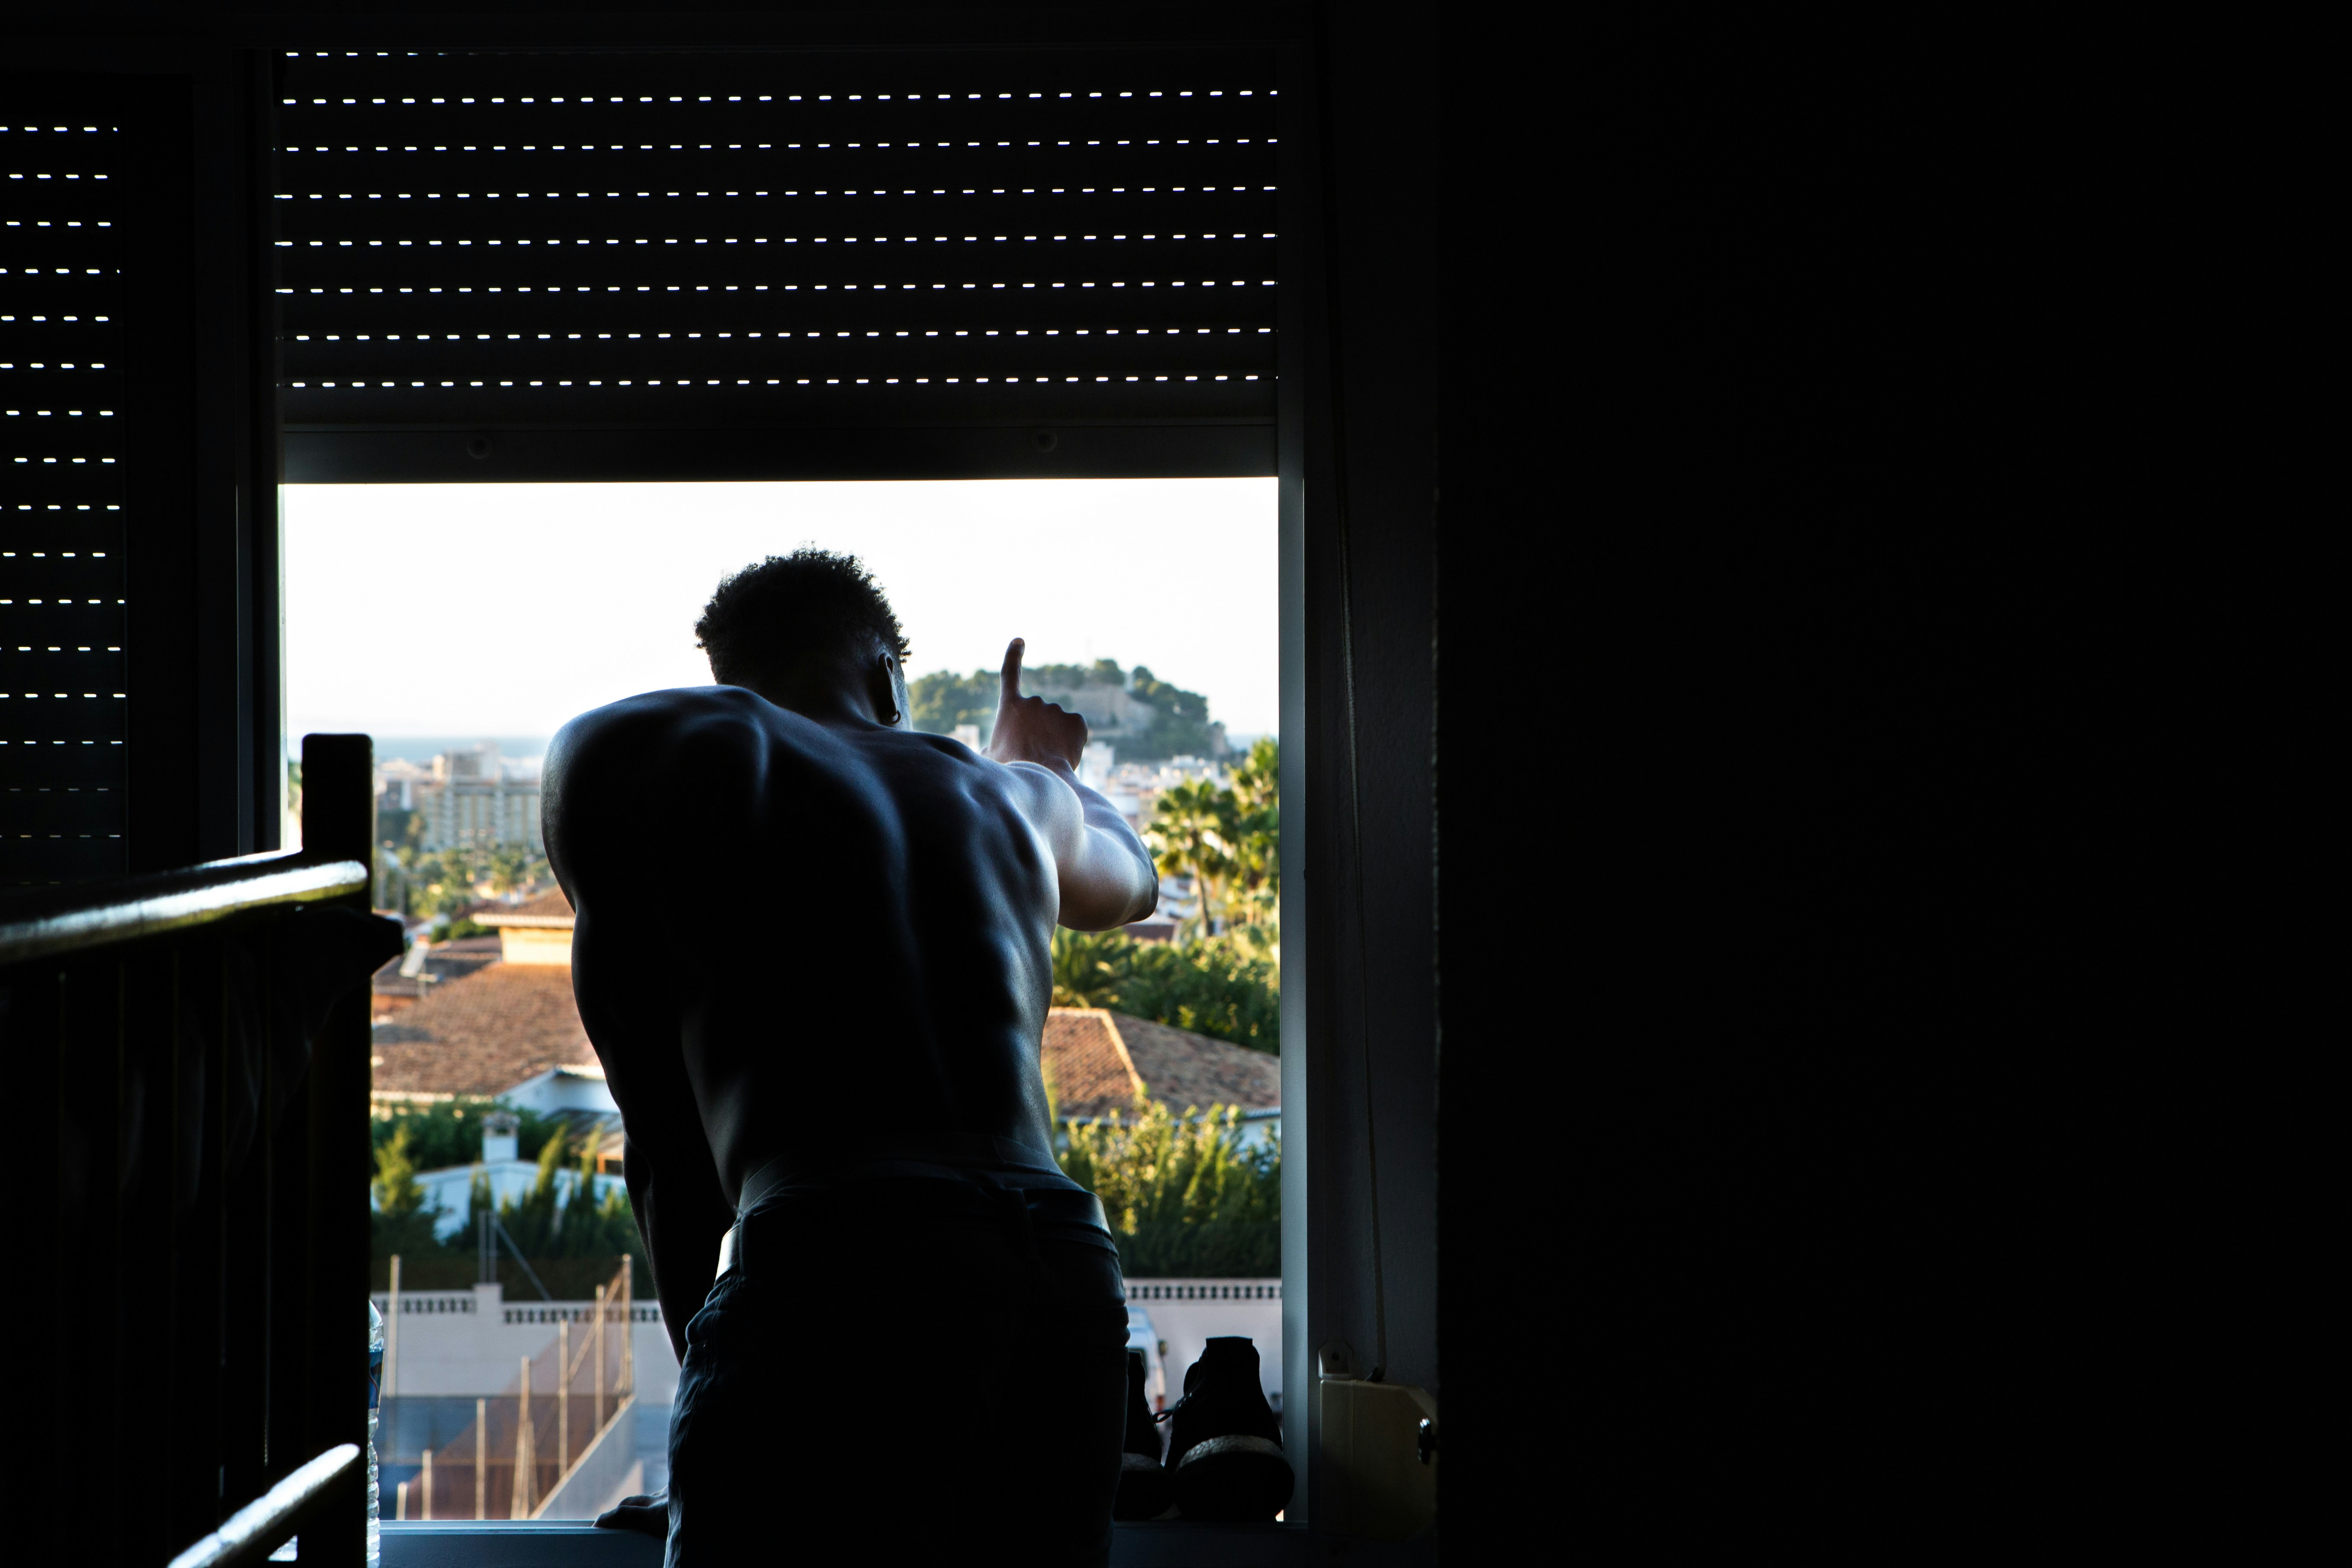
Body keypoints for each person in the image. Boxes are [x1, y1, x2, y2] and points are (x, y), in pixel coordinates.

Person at [543, 549, 1158, 1566]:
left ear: (727, 670)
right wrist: (1037, 761)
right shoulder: (1003, 797)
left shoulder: (657, 744)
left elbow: (665, 1137)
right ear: (886, 675)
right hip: (1058, 1264)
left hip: (840, 1250)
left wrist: (716, 1392)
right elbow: (1127, 879)